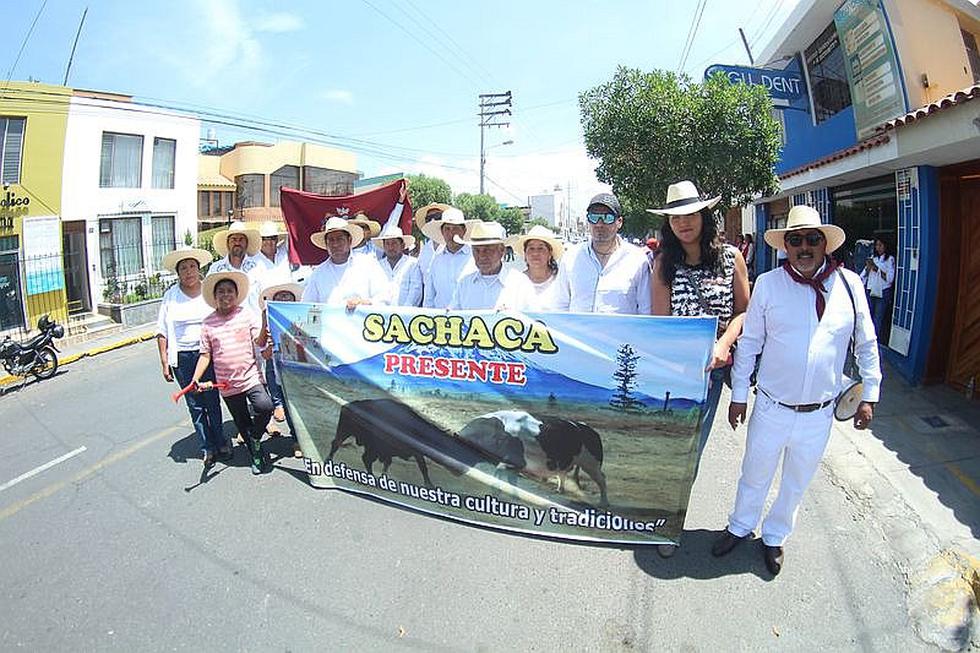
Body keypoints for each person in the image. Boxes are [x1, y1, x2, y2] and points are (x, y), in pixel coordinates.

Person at [712, 205, 881, 575]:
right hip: (771, 407)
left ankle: (774, 537)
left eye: (812, 239)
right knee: (754, 473)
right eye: (795, 240)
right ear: (785, 245)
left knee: (796, 482)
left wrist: (870, 394)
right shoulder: (769, 285)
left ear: (825, 244)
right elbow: (751, 343)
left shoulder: (850, 285)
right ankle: (740, 526)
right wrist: (739, 395)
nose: (804, 247)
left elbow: (866, 343)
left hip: (818, 414)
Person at [648, 181, 750, 557]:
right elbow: (661, 323)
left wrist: (724, 344)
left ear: (704, 216)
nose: (683, 223)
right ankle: (664, 520)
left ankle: (671, 520)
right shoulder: (664, 263)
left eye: (690, 214)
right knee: (672, 450)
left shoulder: (731, 258)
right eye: (675, 217)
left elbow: (744, 310)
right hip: (676, 374)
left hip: (714, 374)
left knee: (693, 451)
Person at [192, 270, 274, 475]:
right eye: (221, 292)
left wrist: (265, 324)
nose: (225, 295)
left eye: (230, 291)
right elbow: (205, 354)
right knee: (242, 421)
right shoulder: (208, 323)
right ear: (215, 296)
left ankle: (255, 438)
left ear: (236, 295)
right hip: (226, 384)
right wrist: (195, 378)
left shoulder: (246, 315)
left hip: (250, 377)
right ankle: (255, 453)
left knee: (265, 406)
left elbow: (259, 341)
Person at [156, 247, 228, 468]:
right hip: (183, 358)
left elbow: (223, 318)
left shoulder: (209, 293)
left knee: (212, 400)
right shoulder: (171, 296)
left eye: (192, 267)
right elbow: (161, 331)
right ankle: (206, 446)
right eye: (184, 268)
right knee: (195, 403)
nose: (189, 272)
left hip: (207, 354)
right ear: (178, 273)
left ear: (199, 269)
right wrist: (165, 361)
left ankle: (220, 441)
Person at [554, 192, 650, 314]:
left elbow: (646, 310)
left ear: (619, 222)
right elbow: (560, 306)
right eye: (594, 217)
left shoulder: (637, 260)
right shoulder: (570, 258)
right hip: (576, 333)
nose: (599, 224)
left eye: (607, 218)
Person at [256, 282, 304, 458]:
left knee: (301, 407)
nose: (283, 298)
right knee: (289, 408)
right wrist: (264, 321)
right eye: (279, 296)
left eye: (287, 296)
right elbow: (262, 347)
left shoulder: (301, 317)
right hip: (279, 372)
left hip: (300, 372)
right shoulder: (269, 319)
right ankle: (296, 440)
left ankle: (308, 439)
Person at [301, 216, 389, 307]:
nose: (335, 244)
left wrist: (364, 303)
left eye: (340, 239)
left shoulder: (368, 265)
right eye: (331, 240)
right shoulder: (318, 273)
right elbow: (306, 305)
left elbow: (384, 297)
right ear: (326, 244)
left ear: (349, 240)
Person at [449, 221, 535, 310]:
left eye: (488, 250)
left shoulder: (519, 283)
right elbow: (454, 317)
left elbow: (530, 319)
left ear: (502, 251)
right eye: (477, 250)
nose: (481, 256)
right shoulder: (464, 284)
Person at [421, 207, 479, 309]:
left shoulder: (475, 257)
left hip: (469, 320)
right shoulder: (436, 261)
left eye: (455, 228)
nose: (451, 233)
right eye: (447, 229)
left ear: (464, 231)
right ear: (442, 232)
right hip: (441, 321)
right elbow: (429, 296)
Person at [207, 221, 264, 312]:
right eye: (233, 239)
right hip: (225, 323)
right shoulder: (216, 269)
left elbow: (264, 298)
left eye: (241, 239)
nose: (237, 243)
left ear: (246, 243)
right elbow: (209, 298)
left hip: (254, 322)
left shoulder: (258, 267)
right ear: (227, 244)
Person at [507, 224, 564, 311]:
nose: (535, 253)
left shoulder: (561, 281)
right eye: (531, 248)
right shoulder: (515, 282)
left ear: (550, 254)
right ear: (525, 254)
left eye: (541, 248)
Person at [374, 217, 423, 307]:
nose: (390, 247)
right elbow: (375, 291)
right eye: (387, 244)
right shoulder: (378, 266)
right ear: (383, 246)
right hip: (381, 314)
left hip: (405, 315)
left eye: (394, 243)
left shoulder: (412, 264)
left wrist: (404, 311)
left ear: (402, 245)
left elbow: (416, 290)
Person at [860, 237, 895, 340]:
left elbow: (890, 279)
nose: (878, 248)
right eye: (877, 245)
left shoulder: (890, 260)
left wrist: (877, 269)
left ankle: (875, 340)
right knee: (867, 316)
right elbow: (862, 277)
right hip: (870, 290)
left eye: (880, 245)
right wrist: (867, 269)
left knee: (878, 318)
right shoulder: (873, 258)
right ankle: (865, 338)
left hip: (882, 292)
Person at [414, 202, 453, 273]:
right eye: (428, 219)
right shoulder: (424, 249)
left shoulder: (452, 247)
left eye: (437, 217)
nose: (433, 221)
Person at [253, 221, 292, 287]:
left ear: (277, 239)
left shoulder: (284, 252)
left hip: (288, 295)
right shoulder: (253, 261)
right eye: (264, 239)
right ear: (260, 240)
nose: (268, 242)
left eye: (272, 238)